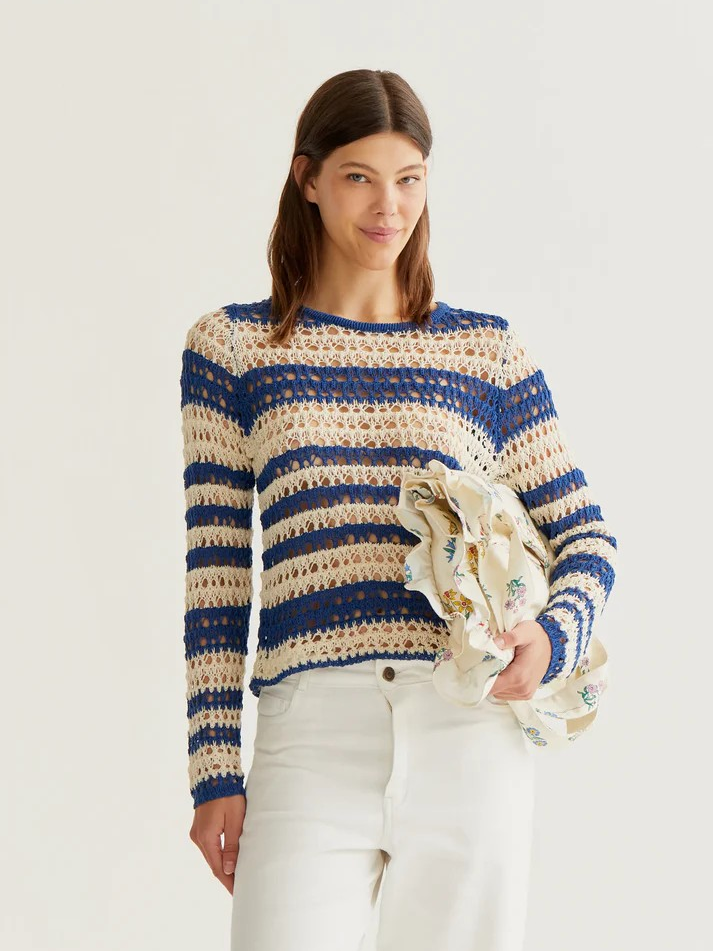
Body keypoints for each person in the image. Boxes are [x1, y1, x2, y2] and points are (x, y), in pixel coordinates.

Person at [179, 68, 618, 951]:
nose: (389, 207)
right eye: (359, 177)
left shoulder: (485, 352)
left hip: (466, 726)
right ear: (307, 178)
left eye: (409, 178)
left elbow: (586, 535)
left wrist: (551, 636)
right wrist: (213, 768)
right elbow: (218, 575)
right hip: (309, 732)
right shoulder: (231, 348)